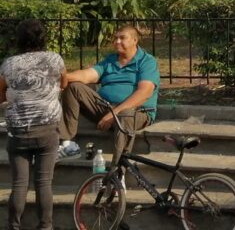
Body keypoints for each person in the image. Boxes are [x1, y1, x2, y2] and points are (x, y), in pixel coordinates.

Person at [57, 25, 159, 164]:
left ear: (135, 40)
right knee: (74, 86)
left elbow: (144, 93)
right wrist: (63, 77)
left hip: (137, 113)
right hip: (106, 108)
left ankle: (118, 170)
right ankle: (68, 145)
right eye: (115, 38)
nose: (117, 41)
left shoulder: (147, 61)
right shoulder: (110, 60)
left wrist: (114, 113)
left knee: (126, 114)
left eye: (122, 38)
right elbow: (88, 75)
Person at [0, 20, 66, 230]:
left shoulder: (9, 64)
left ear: (18, 40)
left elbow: (1, 91)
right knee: (44, 183)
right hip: (47, 130)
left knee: (19, 184)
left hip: (19, 132)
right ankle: (45, 226)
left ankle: (13, 226)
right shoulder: (55, 59)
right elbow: (64, 83)